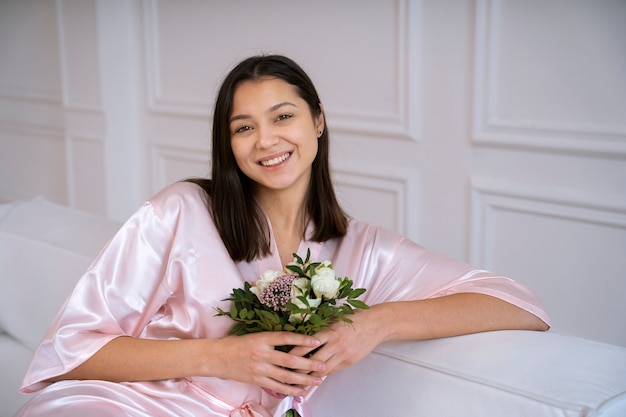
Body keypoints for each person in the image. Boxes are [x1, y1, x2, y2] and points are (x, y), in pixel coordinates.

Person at [16, 55, 549, 416]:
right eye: (243, 127)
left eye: (283, 116)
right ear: (229, 145)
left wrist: (374, 324)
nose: (265, 140)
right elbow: (72, 351)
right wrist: (219, 357)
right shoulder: (180, 212)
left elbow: (520, 305)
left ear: (317, 121)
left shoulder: (367, 250)